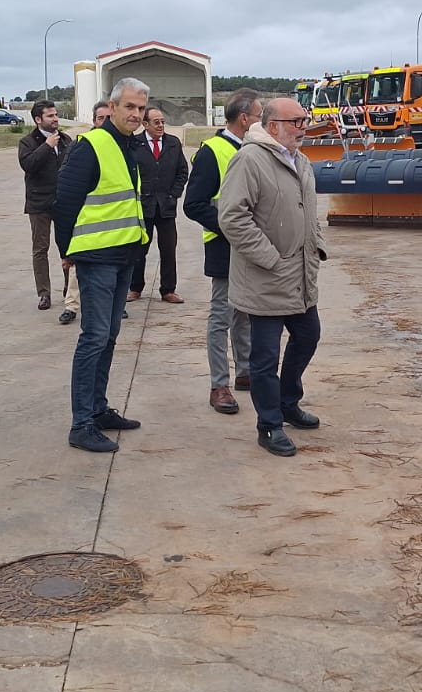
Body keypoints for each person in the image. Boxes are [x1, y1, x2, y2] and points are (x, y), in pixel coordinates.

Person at [217, 97, 326, 457]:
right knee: (264, 358)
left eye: (305, 120)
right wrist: (270, 258)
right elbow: (232, 217)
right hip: (266, 277)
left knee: (308, 335)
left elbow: (309, 212)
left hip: (300, 276)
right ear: (273, 125)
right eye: (297, 121)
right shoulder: (249, 160)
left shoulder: (301, 161)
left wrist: (317, 247)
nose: (304, 126)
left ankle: (287, 402)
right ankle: (269, 425)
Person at [53, 78, 149, 452]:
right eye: (129, 107)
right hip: (96, 258)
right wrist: (67, 251)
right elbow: (64, 202)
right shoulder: (92, 145)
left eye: (141, 108)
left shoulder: (130, 144)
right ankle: (81, 424)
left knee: (109, 335)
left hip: (123, 255)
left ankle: (97, 409)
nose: (136, 115)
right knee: (93, 337)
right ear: (111, 107)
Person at [183, 88, 261, 414]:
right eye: (260, 116)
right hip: (224, 247)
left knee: (245, 314)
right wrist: (232, 226)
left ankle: (245, 372)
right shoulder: (212, 151)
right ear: (244, 118)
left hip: (252, 247)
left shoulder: (254, 149)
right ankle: (219, 385)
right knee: (222, 317)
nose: (264, 122)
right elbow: (194, 205)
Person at [20, 100, 78, 322]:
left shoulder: (66, 140)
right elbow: (29, 165)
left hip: (63, 202)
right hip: (39, 203)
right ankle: (43, 293)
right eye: (50, 116)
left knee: (67, 247)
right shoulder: (27, 142)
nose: (55, 119)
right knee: (40, 248)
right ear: (38, 120)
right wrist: (46, 146)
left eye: (56, 115)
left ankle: (68, 290)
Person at [128, 107, 188, 305]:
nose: (161, 125)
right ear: (145, 124)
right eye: (156, 122)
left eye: (162, 121)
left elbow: (182, 172)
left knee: (168, 249)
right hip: (143, 207)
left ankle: (168, 290)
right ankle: (135, 288)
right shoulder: (134, 144)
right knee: (139, 250)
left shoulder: (173, 143)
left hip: (166, 207)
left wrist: (173, 194)